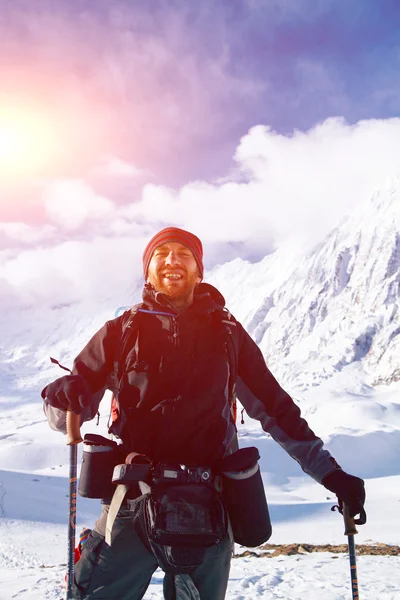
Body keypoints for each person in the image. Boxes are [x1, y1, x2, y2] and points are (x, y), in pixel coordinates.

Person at [42, 227, 366, 600]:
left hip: (210, 502)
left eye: (184, 254)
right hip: (130, 499)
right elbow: (66, 412)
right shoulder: (120, 332)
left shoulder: (227, 333)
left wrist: (331, 474)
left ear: (199, 271)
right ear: (147, 271)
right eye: (161, 254)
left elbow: (276, 409)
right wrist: (62, 398)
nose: (172, 261)